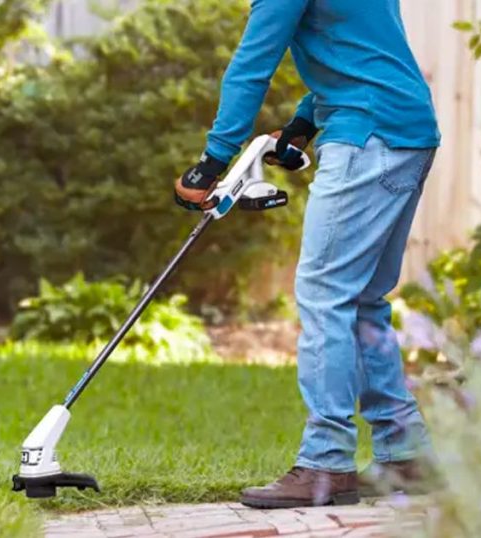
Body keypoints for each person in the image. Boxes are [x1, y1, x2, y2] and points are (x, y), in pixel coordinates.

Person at [173, 0, 442, 509]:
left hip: (367, 138)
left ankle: (325, 463)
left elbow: (253, 65)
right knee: (362, 300)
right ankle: (405, 452)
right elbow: (361, 52)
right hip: (407, 131)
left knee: (325, 297)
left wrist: (211, 163)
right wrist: (302, 124)